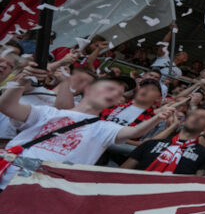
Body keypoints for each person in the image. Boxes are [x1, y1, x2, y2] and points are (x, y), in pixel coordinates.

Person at [0, 67, 172, 189]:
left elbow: (134, 132)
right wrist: (22, 81)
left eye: (119, 94)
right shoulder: (48, 113)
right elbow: (7, 106)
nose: (114, 94)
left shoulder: (105, 128)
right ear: (89, 89)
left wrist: (158, 117)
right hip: (6, 176)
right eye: (110, 88)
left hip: (44, 190)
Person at [121, 105, 205, 175]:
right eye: (194, 115)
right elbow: (123, 171)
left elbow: (197, 182)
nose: (196, 118)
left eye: (202, 117)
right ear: (184, 119)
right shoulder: (151, 143)